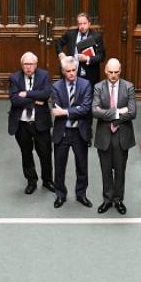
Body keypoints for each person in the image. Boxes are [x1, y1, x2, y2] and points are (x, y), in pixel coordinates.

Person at [92, 59, 136, 215]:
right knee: (105, 170)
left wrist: (107, 114)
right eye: (110, 72)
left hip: (122, 135)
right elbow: (94, 111)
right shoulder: (98, 87)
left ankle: (118, 200)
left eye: (116, 72)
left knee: (120, 170)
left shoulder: (128, 86)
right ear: (105, 71)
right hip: (104, 134)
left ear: (120, 70)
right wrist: (118, 112)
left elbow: (132, 112)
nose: (113, 75)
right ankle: (107, 199)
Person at [51, 56, 93, 208]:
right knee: (59, 166)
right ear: (63, 71)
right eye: (68, 71)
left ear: (77, 69)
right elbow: (56, 110)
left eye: (74, 70)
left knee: (82, 166)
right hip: (62, 132)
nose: (71, 73)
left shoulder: (85, 84)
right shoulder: (56, 87)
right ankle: (60, 195)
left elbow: (86, 109)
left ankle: (81, 194)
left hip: (79, 132)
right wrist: (75, 110)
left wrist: (65, 112)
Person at [7, 52, 53, 194]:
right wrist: (35, 99)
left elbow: (46, 94)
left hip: (40, 121)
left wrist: (26, 94)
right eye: (26, 64)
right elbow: (14, 99)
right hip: (22, 123)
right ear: (22, 65)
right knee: (26, 153)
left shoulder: (44, 75)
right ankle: (31, 180)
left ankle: (47, 180)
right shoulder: (14, 77)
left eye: (31, 64)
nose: (28, 67)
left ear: (36, 64)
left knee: (45, 153)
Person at [57, 13, 104, 87]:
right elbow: (58, 42)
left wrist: (87, 59)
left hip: (89, 73)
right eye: (80, 24)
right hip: (71, 71)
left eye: (84, 23)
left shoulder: (96, 36)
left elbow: (101, 56)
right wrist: (60, 52)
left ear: (89, 24)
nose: (82, 26)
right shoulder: (71, 34)